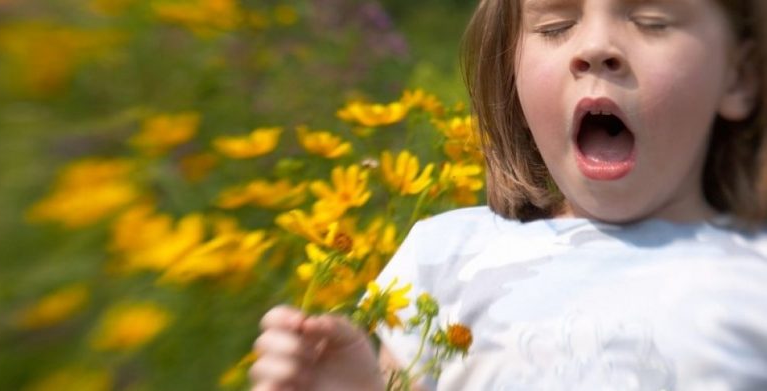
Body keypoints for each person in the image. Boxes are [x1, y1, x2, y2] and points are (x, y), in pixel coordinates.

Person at [249, 0, 767, 389]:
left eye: (652, 20)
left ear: (739, 75)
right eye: (555, 26)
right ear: (510, 72)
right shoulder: (448, 256)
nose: (594, 49)